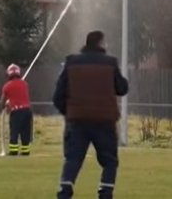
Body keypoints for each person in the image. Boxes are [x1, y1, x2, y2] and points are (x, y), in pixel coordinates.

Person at [52, 30, 130, 199]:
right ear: (101, 43)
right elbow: (122, 88)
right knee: (109, 161)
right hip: (104, 121)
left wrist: (69, 112)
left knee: (72, 159)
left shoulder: (71, 63)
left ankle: (64, 192)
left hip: (77, 121)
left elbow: (58, 94)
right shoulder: (110, 63)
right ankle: (105, 193)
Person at [0, 63, 33, 157]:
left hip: (16, 111)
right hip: (27, 111)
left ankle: (13, 151)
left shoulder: (7, 86)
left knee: (14, 131)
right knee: (25, 132)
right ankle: (25, 151)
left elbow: (3, 100)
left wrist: (4, 107)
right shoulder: (24, 84)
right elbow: (20, 96)